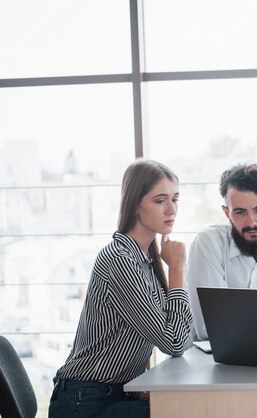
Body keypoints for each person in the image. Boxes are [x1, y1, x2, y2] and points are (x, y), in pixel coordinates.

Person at [48, 159, 192, 418]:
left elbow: (179, 332)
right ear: (136, 204)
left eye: (175, 199)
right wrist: (178, 271)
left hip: (114, 393)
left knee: (187, 407)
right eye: (160, 201)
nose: (172, 209)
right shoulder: (120, 260)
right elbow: (174, 342)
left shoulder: (146, 259)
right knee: (186, 412)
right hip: (85, 402)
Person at [186, 162, 257, 340]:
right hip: (204, 357)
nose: (251, 222)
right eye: (240, 212)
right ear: (227, 213)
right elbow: (210, 327)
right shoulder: (208, 243)